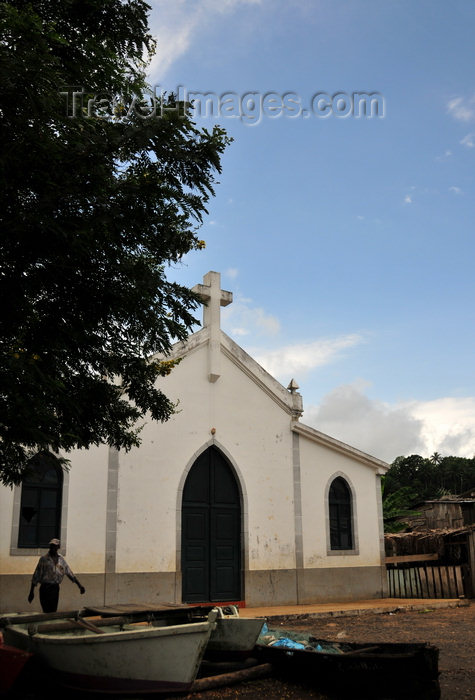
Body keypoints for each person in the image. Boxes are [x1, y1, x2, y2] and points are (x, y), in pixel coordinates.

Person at [28, 538, 85, 612]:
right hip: (45, 588)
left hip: (55, 588)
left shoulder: (61, 560)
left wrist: (79, 585)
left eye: (55, 546)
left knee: (53, 610)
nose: (52, 547)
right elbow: (36, 575)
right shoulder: (44, 559)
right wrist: (31, 592)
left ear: (58, 547)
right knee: (46, 610)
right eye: (51, 545)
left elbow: (69, 572)